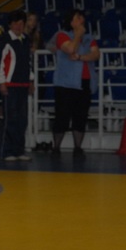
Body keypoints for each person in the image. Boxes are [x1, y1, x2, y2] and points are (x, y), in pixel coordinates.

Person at [51, 8, 100, 157]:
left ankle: (78, 147)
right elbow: (70, 48)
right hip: (65, 83)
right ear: (71, 22)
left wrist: (80, 57)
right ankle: (56, 147)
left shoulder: (89, 38)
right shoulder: (61, 35)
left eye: (82, 17)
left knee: (81, 116)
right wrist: (78, 35)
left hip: (84, 81)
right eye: (78, 18)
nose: (81, 20)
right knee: (62, 116)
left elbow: (96, 54)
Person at [0, 10, 34, 161]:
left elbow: (28, 62)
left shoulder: (25, 39)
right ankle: (6, 151)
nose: (18, 26)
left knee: (22, 119)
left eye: (21, 23)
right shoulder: (5, 40)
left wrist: (30, 80)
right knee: (10, 119)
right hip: (10, 85)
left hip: (22, 84)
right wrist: (2, 82)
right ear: (10, 24)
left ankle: (19, 150)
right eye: (16, 23)